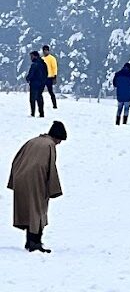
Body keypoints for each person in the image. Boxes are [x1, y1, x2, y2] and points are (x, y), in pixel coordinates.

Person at [8, 121, 66, 253]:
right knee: (38, 210)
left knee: (29, 210)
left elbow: (17, 159)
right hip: (35, 179)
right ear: (56, 137)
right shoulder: (49, 145)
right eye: (60, 140)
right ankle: (35, 242)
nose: (59, 143)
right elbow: (50, 167)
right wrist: (53, 188)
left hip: (21, 177)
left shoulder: (33, 141)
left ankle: (30, 241)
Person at [24, 52, 47, 119]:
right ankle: (41, 113)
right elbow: (46, 73)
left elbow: (31, 74)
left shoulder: (34, 64)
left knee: (32, 99)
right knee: (39, 97)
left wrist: (27, 78)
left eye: (32, 56)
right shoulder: (43, 64)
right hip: (42, 83)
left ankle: (32, 113)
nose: (31, 58)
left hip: (34, 83)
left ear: (36, 56)